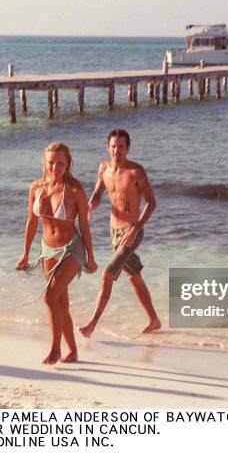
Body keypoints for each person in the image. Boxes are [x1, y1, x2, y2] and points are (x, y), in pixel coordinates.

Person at [16, 142, 97, 365]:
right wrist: (25, 254)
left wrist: (91, 257)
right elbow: (31, 222)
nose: (55, 167)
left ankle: (55, 349)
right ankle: (73, 351)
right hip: (47, 249)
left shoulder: (74, 190)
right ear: (45, 163)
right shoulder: (36, 188)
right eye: (51, 162)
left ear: (68, 163)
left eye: (60, 163)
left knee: (50, 296)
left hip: (72, 248)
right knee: (60, 303)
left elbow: (84, 226)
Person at [79, 129, 161, 337]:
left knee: (107, 274)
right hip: (114, 231)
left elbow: (152, 203)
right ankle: (154, 319)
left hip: (132, 231)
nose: (117, 151)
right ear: (108, 147)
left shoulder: (136, 172)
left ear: (128, 148)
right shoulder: (103, 169)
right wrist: (92, 204)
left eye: (121, 147)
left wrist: (135, 229)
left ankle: (91, 325)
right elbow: (98, 192)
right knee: (134, 276)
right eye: (114, 146)